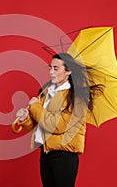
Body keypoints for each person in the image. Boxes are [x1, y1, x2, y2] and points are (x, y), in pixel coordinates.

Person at [16, 53, 97, 187]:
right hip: (46, 153)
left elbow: (57, 125)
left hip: (64, 156)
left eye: (56, 68)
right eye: (50, 67)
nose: (51, 72)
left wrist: (35, 107)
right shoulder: (46, 91)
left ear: (68, 71)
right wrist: (25, 119)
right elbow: (38, 124)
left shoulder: (76, 96)